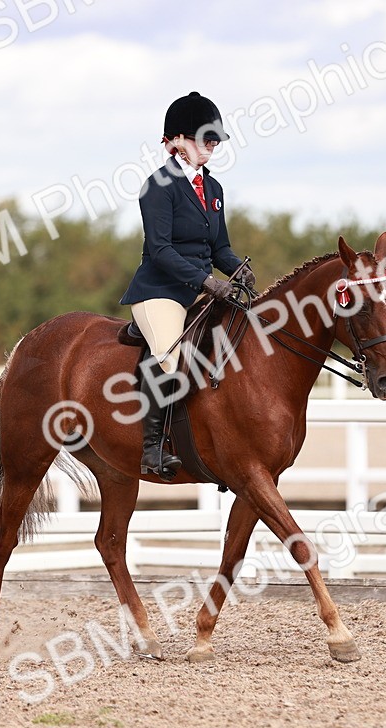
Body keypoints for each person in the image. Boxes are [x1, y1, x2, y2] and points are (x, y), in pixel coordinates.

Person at [120, 91, 255, 479]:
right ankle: (152, 448)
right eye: (204, 138)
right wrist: (207, 281)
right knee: (169, 354)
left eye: (215, 139)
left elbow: (220, 248)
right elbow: (161, 250)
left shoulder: (214, 190)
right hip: (160, 291)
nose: (211, 145)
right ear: (177, 140)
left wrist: (238, 269)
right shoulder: (158, 186)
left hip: (202, 288)